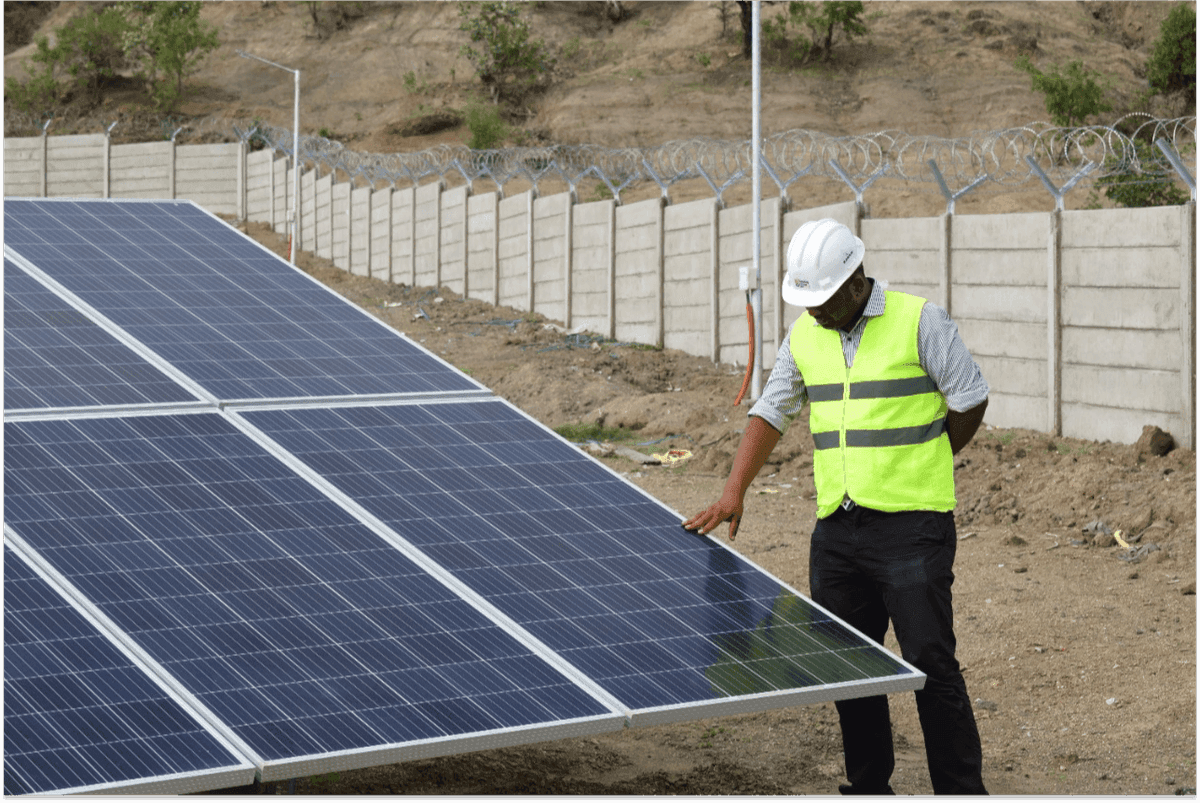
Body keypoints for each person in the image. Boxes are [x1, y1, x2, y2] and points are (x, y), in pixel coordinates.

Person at [683, 218, 990, 796]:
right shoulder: (805, 335)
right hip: (837, 532)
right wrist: (734, 491)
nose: (814, 311)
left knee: (931, 664)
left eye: (821, 300)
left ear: (855, 281)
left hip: (912, 529)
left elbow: (970, 397)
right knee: (850, 668)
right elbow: (771, 411)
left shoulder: (918, 320)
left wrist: (931, 453)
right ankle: (869, 787)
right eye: (806, 301)